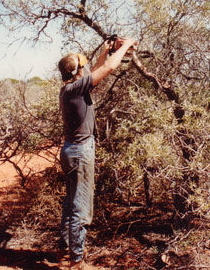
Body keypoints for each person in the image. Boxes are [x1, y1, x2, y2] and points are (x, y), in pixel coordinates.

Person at [57, 37, 136, 269]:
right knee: (81, 208)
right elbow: (109, 68)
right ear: (77, 71)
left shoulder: (70, 88)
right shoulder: (76, 89)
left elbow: (97, 69)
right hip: (81, 153)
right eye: (83, 66)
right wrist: (125, 45)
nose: (87, 68)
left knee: (71, 203)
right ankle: (77, 261)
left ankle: (65, 249)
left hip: (71, 150)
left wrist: (104, 51)